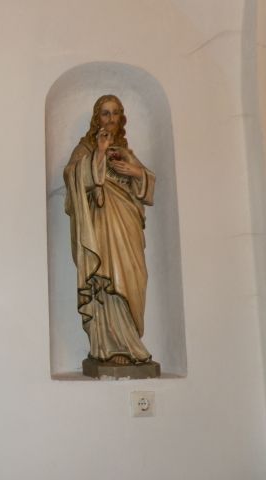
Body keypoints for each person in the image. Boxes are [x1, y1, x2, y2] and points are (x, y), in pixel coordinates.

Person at [63, 94, 155, 365]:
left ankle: (131, 342)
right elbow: (71, 176)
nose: (111, 118)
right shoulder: (85, 148)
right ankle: (110, 346)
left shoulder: (126, 150)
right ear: (97, 118)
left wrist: (135, 172)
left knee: (133, 274)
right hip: (101, 224)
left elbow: (145, 184)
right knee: (106, 276)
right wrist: (99, 152)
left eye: (115, 113)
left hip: (128, 225)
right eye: (105, 113)